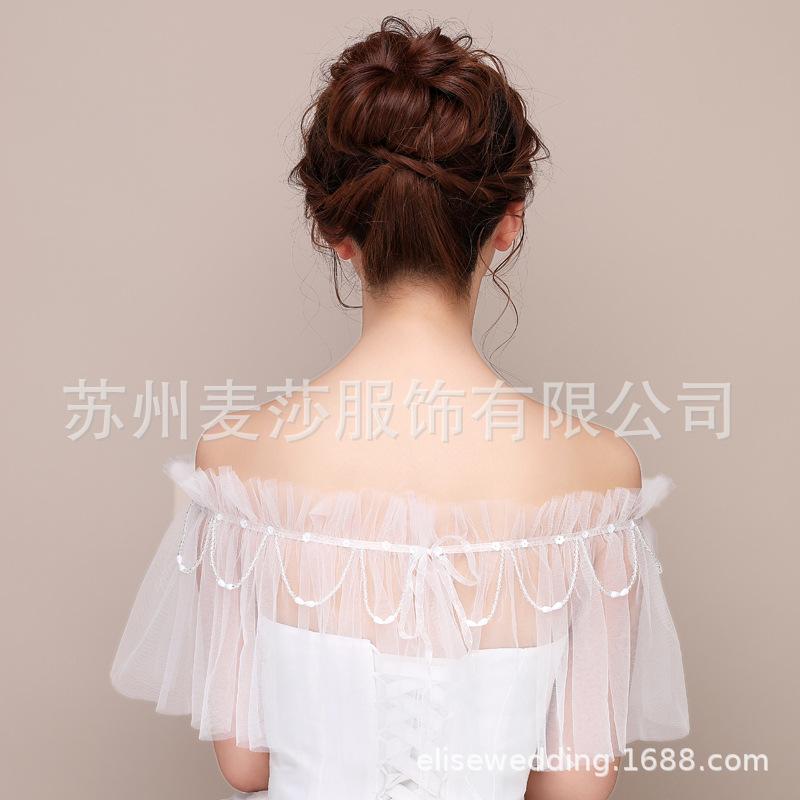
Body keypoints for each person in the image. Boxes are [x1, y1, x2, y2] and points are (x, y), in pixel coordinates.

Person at [111, 15, 689, 799]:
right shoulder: (598, 474)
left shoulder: (237, 461)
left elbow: (246, 766)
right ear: (508, 222)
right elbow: (573, 788)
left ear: (332, 228)